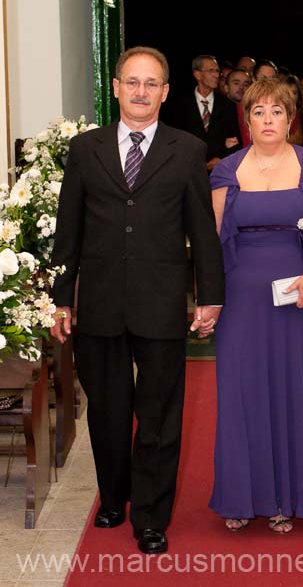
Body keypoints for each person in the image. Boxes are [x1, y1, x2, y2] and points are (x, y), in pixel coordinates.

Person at [50, 46, 225, 555]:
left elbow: (202, 231)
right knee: (106, 411)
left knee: (159, 414)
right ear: (116, 87)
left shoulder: (187, 149)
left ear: (166, 92)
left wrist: (209, 296)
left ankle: (150, 515)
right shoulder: (86, 149)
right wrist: (62, 299)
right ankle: (113, 496)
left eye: (151, 83)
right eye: (132, 82)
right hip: (100, 304)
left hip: (161, 301)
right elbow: (69, 232)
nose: (141, 91)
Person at [209, 79, 303, 533]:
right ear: (246, 120)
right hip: (240, 301)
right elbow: (209, 243)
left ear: (291, 119)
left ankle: (287, 496)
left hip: (297, 296)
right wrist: (207, 301)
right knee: (241, 394)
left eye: (277, 111)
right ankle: (242, 497)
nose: (268, 120)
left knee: (292, 391)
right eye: (259, 112)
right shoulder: (226, 172)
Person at [163, 54, 240, 171]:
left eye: (217, 71)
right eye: (211, 71)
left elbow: (235, 142)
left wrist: (222, 159)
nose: (216, 75)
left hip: (218, 171)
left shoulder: (227, 105)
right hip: (187, 171)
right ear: (197, 74)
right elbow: (172, 141)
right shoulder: (179, 106)